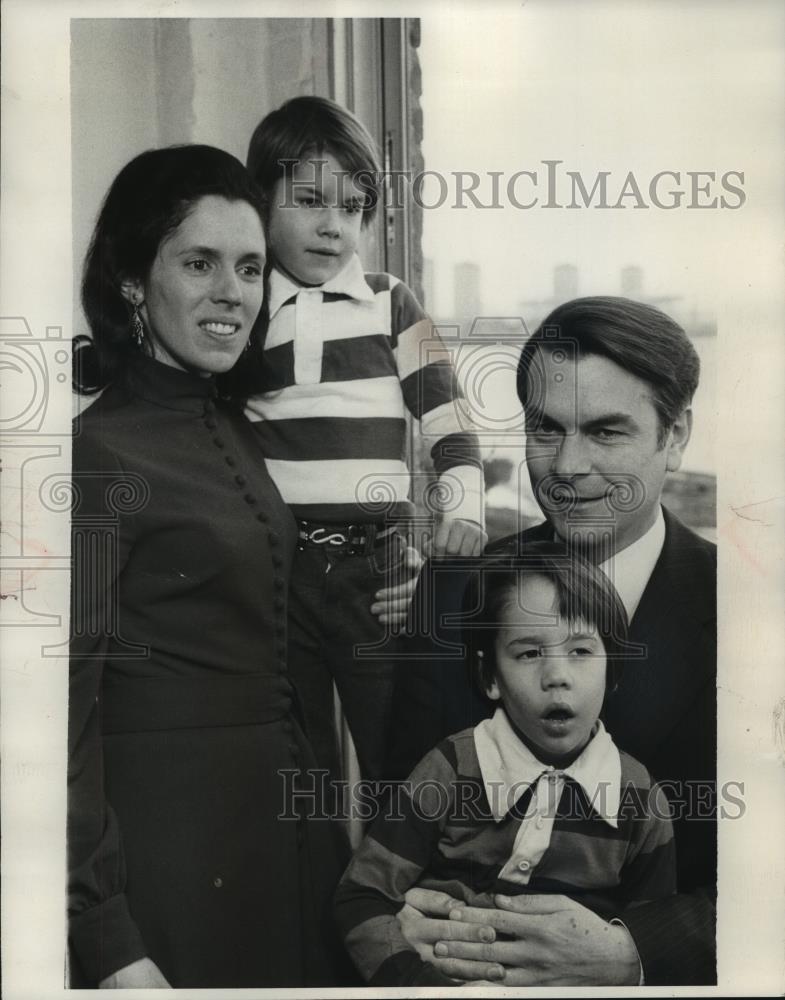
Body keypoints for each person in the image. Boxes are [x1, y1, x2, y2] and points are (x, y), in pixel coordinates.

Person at [68, 145, 344, 988]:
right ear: (129, 279)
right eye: (199, 263)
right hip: (170, 860)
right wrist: (107, 938)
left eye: (252, 268)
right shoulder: (91, 456)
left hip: (288, 844)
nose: (233, 292)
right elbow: (57, 727)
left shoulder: (241, 426)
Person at [388, 296, 716, 985]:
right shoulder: (450, 598)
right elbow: (396, 840)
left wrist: (635, 951)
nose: (566, 467)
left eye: (604, 432)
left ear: (675, 435)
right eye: (545, 429)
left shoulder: (753, 613)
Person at [243, 96, 486, 783]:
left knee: (397, 756)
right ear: (259, 199)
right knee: (296, 766)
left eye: (351, 208)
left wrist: (461, 512)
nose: (332, 227)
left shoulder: (391, 301)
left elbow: (451, 430)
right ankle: (316, 890)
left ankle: (398, 887)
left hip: (376, 571)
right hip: (278, 575)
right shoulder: (248, 312)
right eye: (309, 201)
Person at [335, 546, 676, 986]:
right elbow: (361, 896)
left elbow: (647, 937)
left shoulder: (641, 801)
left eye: (581, 651)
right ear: (490, 677)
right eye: (529, 653)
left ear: (612, 670)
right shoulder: (450, 770)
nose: (557, 675)